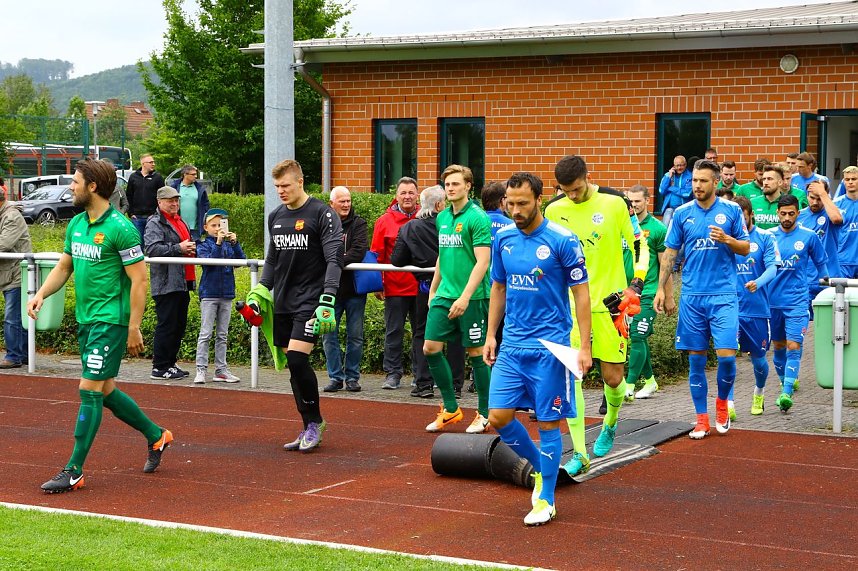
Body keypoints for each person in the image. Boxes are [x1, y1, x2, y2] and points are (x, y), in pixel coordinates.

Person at [27, 158, 172, 493]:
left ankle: (74, 470)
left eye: (76, 181)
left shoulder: (121, 228)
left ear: (93, 186)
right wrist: (41, 294)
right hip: (87, 320)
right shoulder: (77, 223)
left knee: (88, 390)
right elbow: (65, 267)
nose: (71, 187)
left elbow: (139, 282)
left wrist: (134, 326)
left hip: (111, 321)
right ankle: (157, 435)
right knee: (104, 390)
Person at [484, 171, 592, 526]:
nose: (515, 210)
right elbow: (498, 288)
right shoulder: (504, 240)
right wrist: (490, 335)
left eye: (522, 203)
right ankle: (545, 470)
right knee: (498, 417)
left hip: (550, 348)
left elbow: (581, 295)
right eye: (510, 204)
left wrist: (584, 347)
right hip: (512, 346)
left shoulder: (563, 240)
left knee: (548, 423)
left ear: (539, 200)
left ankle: (546, 498)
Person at [546, 155, 638, 474]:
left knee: (613, 378)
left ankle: (610, 424)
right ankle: (580, 454)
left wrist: (636, 282)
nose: (571, 195)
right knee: (573, 378)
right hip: (570, 308)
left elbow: (639, 243)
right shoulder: (554, 210)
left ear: (587, 176)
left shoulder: (614, 204)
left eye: (575, 188)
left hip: (612, 306)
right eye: (565, 190)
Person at [654, 159, 750, 439]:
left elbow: (745, 248)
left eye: (703, 181)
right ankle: (700, 419)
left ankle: (722, 403)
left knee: (727, 358)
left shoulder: (731, 210)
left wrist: (727, 240)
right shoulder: (682, 213)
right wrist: (662, 289)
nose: (697, 185)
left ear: (716, 182)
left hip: (723, 296)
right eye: (695, 180)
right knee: (695, 362)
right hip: (693, 297)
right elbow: (670, 253)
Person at [261, 159, 343, 453]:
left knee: (297, 358)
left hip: (311, 299)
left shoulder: (323, 214)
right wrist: (260, 290)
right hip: (282, 300)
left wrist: (328, 297)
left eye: (285, 185)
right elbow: (272, 260)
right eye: (277, 187)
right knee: (294, 366)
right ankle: (307, 422)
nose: (281, 191)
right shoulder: (275, 216)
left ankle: (314, 423)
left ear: (300, 182)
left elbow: (335, 258)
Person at [423, 165, 493, 433]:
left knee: (476, 354)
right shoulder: (442, 218)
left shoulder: (478, 217)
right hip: (444, 295)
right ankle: (451, 408)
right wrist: (433, 288)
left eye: (455, 184)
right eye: (447, 184)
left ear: (468, 187)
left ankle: (485, 414)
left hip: (473, 298)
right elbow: (442, 255)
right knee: (430, 348)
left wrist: (464, 297)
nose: (450, 188)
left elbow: (483, 261)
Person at [390, 185, 466, 399]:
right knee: (456, 335)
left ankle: (423, 383)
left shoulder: (410, 227)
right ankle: (455, 386)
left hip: (426, 287)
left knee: (423, 332)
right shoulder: (454, 225)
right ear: (440, 205)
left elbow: (397, 260)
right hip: (455, 285)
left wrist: (417, 256)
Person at [769, 194, 828, 412]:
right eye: (783, 213)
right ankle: (787, 379)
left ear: (798, 213)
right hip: (772, 301)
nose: (786, 218)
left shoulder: (809, 236)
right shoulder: (769, 237)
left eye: (791, 214)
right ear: (777, 213)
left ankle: (785, 393)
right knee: (779, 346)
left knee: (794, 345)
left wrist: (828, 288)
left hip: (797, 300)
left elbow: (821, 263)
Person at [730, 196, 781, 417]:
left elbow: (772, 269)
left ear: (750, 214)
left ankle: (759, 392)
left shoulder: (765, 238)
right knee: (727, 356)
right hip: (729, 308)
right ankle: (727, 402)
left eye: (743, 216)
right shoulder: (727, 239)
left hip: (757, 309)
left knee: (758, 360)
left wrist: (757, 282)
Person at [370, 177, 420, 389]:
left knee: (422, 332)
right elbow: (377, 255)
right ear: (396, 196)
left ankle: (422, 375)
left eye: (411, 192)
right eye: (403, 193)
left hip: (422, 287)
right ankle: (393, 373)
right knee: (394, 331)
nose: (407, 196)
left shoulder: (427, 217)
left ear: (417, 195)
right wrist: (377, 284)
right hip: (394, 287)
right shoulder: (384, 221)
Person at [625, 185, 672, 399]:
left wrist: (667, 294)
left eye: (637, 201)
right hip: (626, 293)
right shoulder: (624, 225)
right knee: (637, 339)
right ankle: (651, 381)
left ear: (647, 200)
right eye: (630, 201)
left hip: (649, 292)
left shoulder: (657, 228)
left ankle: (628, 386)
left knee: (637, 335)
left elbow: (665, 265)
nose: (633, 205)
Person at [144, 186, 196, 380]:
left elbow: (181, 246)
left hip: (182, 281)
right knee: (167, 325)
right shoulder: (155, 222)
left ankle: (170, 363)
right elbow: (151, 249)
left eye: (176, 200)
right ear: (159, 202)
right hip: (166, 283)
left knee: (178, 325)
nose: (174, 204)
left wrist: (190, 248)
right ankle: (160, 366)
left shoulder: (179, 220)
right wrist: (179, 248)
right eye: (170, 201)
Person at [321, 186, 368, 393]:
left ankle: (352, 378)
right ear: (332, 203)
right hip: (329, 291)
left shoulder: (359, 224)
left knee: (355, 336)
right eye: (342, 201)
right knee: (328, 335)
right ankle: (335, 377)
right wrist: (339, 261)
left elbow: (358, 252)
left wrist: (333, 261)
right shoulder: (323, 224)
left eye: (348, 201)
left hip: (355, 290)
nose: (347, 204)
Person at [193, 208, 246, 385]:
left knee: (222, 334)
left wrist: (235, 243)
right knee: (206, 333)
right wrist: (217, 242)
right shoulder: (203, 244)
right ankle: (201, 369)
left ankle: (221, 370)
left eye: (220, 225)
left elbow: (240, 261)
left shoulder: (227, 244)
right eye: (213, 225)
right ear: (205, 227)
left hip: (227, 293)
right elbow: (209, 264)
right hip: (209, 293)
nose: (217, 228)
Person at [0, 188, 32, 369]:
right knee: (18, 316)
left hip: (17, 274)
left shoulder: (11, 216)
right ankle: (23, 354)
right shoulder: (3, 214)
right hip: (9, 273)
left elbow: (4, 244)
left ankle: (14, 356)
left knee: (12, 317)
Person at [797, 179, 843, 305]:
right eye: (812, 198)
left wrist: (823, 193)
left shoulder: (831, 213)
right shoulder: (799, 216)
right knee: (806, 321)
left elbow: (837, 219)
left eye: (819, 198)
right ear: (807, 195)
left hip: (829, 276)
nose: (815, 202)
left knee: (830, 321)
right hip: (805, 279)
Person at [751, 165, 808, 230]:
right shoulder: (753, 202)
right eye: (764, 179)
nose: (765, 183)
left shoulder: (790, 204)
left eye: (770, 179)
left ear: (780, 182)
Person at [126, 154, 165, 244]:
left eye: (154, 162)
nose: (153, 164)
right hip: (137, 217)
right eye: (151, 162)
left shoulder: (157, 177)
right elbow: (129, 195)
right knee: (138, 242)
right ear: (143, 164)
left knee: (152, 242)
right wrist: (130, 213)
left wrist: (158, 213)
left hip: (153, 217)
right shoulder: (133, 177)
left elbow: (162, 196)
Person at [170, 164, 210, 241]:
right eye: (193, 174)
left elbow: (206, 205)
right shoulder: (174, 187)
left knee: (195, 251)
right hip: (178, 227)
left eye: (196, 174)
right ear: (185, 174)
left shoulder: (200, 189)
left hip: (195, 229)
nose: (195, 176)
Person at [834, 166, 858, 278]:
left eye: (854, 179)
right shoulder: (836, 204)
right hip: (843, 260)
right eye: (847, 180)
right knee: (843, 294)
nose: (850, 182)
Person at [658, 155, 692, 227]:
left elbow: (686, 193)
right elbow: (661, 191)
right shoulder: (668, 175)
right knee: (665, 229)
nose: (679, 168)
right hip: (670, 209)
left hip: (685, 209)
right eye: (677, 166)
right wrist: (668, 177)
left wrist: (671, 188)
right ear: (674, 166)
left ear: (685, 164)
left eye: (681, 165)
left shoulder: (690, 176)